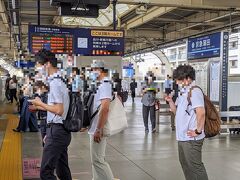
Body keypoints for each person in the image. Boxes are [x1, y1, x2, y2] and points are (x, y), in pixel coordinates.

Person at [29, 49, 72, 180]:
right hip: (60, 130)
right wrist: (49, 131)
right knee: (62, 171)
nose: (38, 69)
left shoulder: (55, 83)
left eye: (39, 65)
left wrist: (40, 104)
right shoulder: (60, 80)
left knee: (46, 173)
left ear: (47, 64)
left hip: (57, 132)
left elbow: (59, 110)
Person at [165, 64, 208, 180]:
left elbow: (201, 112)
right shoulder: (184, 92)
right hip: (182, 137)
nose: (177, 82)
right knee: (186, 166)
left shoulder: (195, 91)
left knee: (195, 167)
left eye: (179, 79)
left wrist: (198, 131)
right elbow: (176, 112)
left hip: (192, 139)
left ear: (187, 78)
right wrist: (170, 102)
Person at [88, 60, 114, 180]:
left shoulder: (105, 84)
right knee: (96, 160)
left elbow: (105, 108)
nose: (92, 72)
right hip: (95, 127)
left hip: (99, 128)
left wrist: (98, 129)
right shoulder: (100, 84)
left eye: (93, 69)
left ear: (100, 70)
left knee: (98, 160)